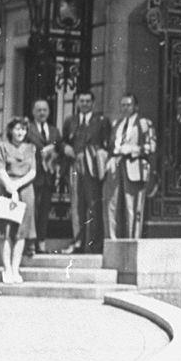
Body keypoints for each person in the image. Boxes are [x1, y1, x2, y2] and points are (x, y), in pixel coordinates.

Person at [61, 91, 110, 254]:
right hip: (75, 167)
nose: (85, 104)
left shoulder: (101, 121)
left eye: (88, 101)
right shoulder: (70, 121)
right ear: (77, 103)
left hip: (92, 168)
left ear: (93, 103)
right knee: (76, 205)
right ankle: (78, 242)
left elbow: (107, 144)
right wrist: (65, 148)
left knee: (93, 204)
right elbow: (62, 142)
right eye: (81, 101)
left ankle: (93, 244)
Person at [104, 92, 157, 240]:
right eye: (123, 105)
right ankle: (112, 240)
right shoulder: (117, 124)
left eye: (128, 105)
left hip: (134, 166)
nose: (125, 108)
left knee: (132, 207)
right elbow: (110, 146)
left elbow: (151, 147)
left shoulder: (144, 123)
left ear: (135, 107)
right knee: (112, 205)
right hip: (116, 166)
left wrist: (132, 150)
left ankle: (132, 240)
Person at [0, 117, 37, 284]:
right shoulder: (2, 147)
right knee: (5, 230)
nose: (20, 132)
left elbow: (33, 172)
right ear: (11, 130)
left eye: (23, 129)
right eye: (17, 129)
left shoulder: (31, 148)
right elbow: (1, 170)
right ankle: (7, 269)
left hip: (25, 190)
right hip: (7, 189)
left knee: (22, 232)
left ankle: (15, 268)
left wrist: (18, 186)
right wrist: (11, 188)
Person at [25, 98, 61, 255]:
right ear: (33, 112)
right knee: (32, 209)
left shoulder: (54, 131)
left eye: (44, 110)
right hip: (33, 175)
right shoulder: (28, 129)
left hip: (49, 176)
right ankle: (29, 243)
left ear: (49, 112)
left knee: (45, 210)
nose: (42, 113)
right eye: (38, 110)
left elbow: (59, 151)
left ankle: (41, 241)